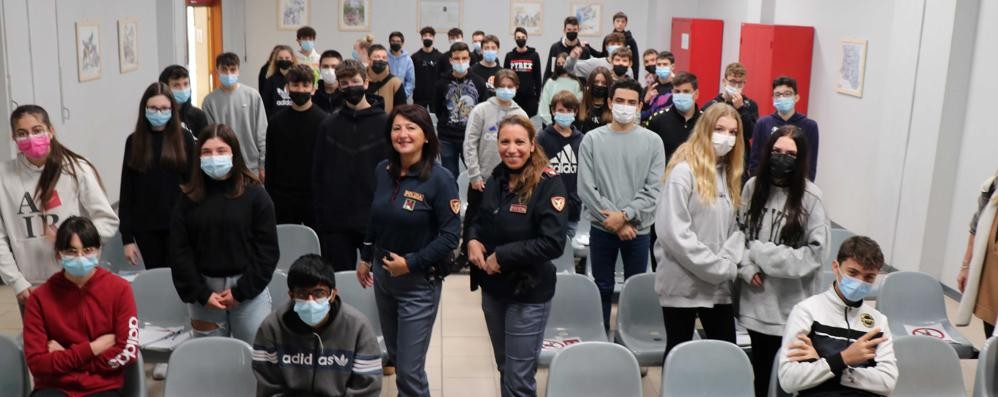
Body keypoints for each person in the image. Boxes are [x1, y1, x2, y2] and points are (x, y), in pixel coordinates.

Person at [358, 105, 460, 396]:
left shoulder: (440, 179)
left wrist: (411, 263)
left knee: (410, 373)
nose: (403, 134)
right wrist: (366, 257)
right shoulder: (383, 170)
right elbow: (375, 217)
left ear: (426, 135)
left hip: (418, 283)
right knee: (398, 359)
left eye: (411, 128)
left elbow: (450, 237)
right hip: (384, 277)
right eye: (396, 128)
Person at [467, 115, 568, 397]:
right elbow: (478, 218)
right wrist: (472, 240)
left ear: (533, 144)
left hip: (529, 291)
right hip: (494, 288)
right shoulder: (497, 176)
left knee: (519, 377)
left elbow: (553, 243)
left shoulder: (549, 183)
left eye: (520, 142)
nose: (512, 149)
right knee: (504, 367)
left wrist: (502, 255)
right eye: (505, 142)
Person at [738, 125, 830, 396]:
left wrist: (760, 253)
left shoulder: (812, 197)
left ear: (800, 158)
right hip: (756, 302)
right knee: (761, 373)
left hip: (791, 309)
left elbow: (814, 255)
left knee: (787, 380)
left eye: (790, 154)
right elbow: (738, 236)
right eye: (777, 151)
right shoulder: (752, 187)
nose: (781, 157)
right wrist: (746, 266)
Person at [0, 105, 118, 308]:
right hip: (31, 286)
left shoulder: (77, 168)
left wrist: (76, 244)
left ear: (50, 131)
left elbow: (107, 220)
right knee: (39, 340)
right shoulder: (3, 176)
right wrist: (16, 281)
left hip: (76, 279)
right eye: (22, 133)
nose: (30, 137)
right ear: (14, 138)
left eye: (37, 130)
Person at [172, 124, 278, 346]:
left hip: (249, 293)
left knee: (255, 359)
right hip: (204, 293)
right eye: (206, 152)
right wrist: (202, 294)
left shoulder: (256, 196)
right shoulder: (187, 200)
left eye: (221, 151)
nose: (214, 157)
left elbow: (267, 251)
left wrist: (241, 292)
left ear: (234, 154)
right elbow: (179, 252)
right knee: (209, 362)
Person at [655, 103, 746, 357]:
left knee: (725, 352)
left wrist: (726, 262)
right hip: (683, 283)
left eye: (732, 132)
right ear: (705, 129)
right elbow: (674, 234)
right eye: (719, 129)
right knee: (679, 353)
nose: (726, 137)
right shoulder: (683, 172)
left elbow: (738, 228)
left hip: (718, 285)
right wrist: (717, 268)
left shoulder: (730, 175)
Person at [579, 79, 665, 330]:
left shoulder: (653, 141)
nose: (625, 107)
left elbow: (654, 189)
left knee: (634, 288)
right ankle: (601, 337)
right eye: (619, 101)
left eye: (631, 102)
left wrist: (626, 216)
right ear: (609, 103)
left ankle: (631, 341)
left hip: (638, 230)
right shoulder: (592, 139)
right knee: (602, 286)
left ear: (640, 105)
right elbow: (586, 188)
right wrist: (617, 223)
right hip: (602, 227)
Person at [22, 216, 138, 397]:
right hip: (54, 386)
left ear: (98, 251)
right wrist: (92, 348)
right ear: (58, 254)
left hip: (103, 386)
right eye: (71, 251)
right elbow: (37, 364)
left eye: (88, 250)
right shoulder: (39, 299)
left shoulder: (120, 290)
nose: (80, 257)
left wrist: (68, 356)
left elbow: (128, 352)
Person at [778, 236, 898, 397]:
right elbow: (789, 380)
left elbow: (887, 383)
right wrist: (844, 358)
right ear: (836, 267)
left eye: (869, 277)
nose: (860, 281)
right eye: (853, 273)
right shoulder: (806, 311)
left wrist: (833, 367)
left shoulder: (878, 321)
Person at [253, 254, 382, 396]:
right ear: (291, 295)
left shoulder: (358, 328)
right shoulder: (271, 328)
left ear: (332, 294)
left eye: (319, 293)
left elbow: (366, 389)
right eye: (302, 293)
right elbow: (269, 388)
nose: (310, 300)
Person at [313, 60, 390, 272]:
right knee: (339, 281)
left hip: (374, 218)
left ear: (366, 83)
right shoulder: (328, 124)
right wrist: (321, 217)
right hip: (336, 220)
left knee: (376, 283)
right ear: (338, 86)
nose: (350, 87)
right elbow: (318, 173)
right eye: (344, 83)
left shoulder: (385, 122)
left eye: (355, 81)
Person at [119, 82, 196, 270]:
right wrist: (127, 239)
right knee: (156, 275)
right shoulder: (134, 141)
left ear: (172, 110)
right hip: (146, 227)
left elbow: (194, 184)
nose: (159, 112)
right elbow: (127, 191)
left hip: (179, 224)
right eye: (153, 108)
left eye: (164, 108)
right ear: (144, 109)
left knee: (180, 276)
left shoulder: (184, 138)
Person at [463, 69, 529, 255]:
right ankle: (467, 253)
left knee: (502, 222)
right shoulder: (481, 110)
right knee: (474, 221)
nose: (506, 90)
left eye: (510, 87)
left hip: (509, 182)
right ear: (495, 87)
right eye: (502, 86)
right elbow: (470, 143)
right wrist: (475, 175)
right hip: (482, 180)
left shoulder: (521, 114)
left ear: (516, 88)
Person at [265, 64, 326, 228]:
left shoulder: (324, 122)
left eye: (305, 85)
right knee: (286, 245)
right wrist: (271, 196)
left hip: (315, 197)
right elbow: (271, 163)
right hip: (284, 198)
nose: (300, 90)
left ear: (313, 89)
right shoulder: (276, 122)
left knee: (318, 247)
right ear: (287, 88)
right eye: (295, 85)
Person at [202, 52, 268, 180]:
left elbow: (262, 133)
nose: (228, 74)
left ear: (238, 70)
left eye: (232, 70)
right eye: (224, 70)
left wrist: (262, 165)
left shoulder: (252, 96)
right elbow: (210, 137)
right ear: (217, 70)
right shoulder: (210, 101)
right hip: (223, 165)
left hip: (251, 166)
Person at [433, 42, 489, 179]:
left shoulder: (479, 82)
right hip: (447, 138)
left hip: (471, 137)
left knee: (475, 175)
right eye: (457, 59)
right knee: (449, 176)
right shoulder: (441, 83)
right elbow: (437, 109)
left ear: (469, 59)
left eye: (464, 58)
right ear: (451, 60)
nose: (461, 62)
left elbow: (483, 108)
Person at [749, 76, 819, 180]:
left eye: (787, 94)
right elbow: (755, 160)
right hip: (766, 182)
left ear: (796, 97)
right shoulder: (762, 123)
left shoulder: (810, 126)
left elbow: (810, 163)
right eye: (778, 95)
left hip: (796, 183)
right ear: (773, 99)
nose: (782, 98)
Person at [956, 170, 998, 337]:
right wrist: (965, 267)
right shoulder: (991, 187)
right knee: (991, 336)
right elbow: (976, 228)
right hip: (991, 276)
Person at [538, 91, 584, 236]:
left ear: (575, 112)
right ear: (553, 111)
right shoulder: (542, 138)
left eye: (569, 110)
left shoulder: (582, 140)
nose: (565, 114)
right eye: (561, 110)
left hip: (573, 208)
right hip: (547, 207)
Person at [703, 62, 759, 166]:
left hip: (740, 158)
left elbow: (750, 133)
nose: (736, 86)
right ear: (724, 82)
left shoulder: (750, 105)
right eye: (732, 82)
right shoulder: (711, 105)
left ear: (744, 83)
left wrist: (741, 108)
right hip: (714, 157)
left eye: (740, 83)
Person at [646, 72, 701, 160]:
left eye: (686, 92)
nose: (681, 95)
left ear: (696, 94)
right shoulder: (657, 120)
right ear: (672, 93)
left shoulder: (705, 121)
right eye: (677, 92)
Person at [159, 65, 208, 137]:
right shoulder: (158, 114)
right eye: (176, 85)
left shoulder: (198, 115)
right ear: (165, 87)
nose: (182, 89)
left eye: (185, 84)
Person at [503, 27, 542, 117]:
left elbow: (538, 77)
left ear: (527, 37)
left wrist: (538, 97)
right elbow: (505, 76)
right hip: (514, 96)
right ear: (514, 38)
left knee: (528, 122)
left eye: (523, 37)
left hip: (530, 97)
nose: (521, 39)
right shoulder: (509, 56)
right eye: (518, 37)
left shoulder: (534, 55)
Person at [537, 53, 583, 126]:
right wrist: (549, 123)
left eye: (563, 63)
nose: (561, 65)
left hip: (571, 122)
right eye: (558, 63)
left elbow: (579, 104)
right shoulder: (550, 82)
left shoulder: (576, 83)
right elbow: (544, 105)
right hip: (552, 121)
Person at [565, 33, 634, 81]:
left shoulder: (628, 69)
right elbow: (569, 69)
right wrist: (572, 59)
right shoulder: (595, 63)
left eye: (619, 44)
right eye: (612, 44)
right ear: (606, 47)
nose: (616, 47)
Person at [544, 16, 595, 82]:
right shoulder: (555, 48)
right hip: (559, 88)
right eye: (569, 30)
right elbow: (549, 71)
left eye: (574, 30)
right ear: (564, 30)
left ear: (578, 30)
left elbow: (588, 73)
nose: (572, 32)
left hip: (579, 88)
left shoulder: (585, 50)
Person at [366, 44, 408, 114]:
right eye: (377, 57)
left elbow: (402, 110)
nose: (381, 60)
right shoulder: (360, 80)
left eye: (384, 57)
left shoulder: (395, 82)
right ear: (368, 59)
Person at [260, 45, 298, 120]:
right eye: (280, 58)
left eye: (287, 58)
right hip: (276, 123)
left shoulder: (298, 79)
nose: (284, 60)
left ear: (292, 59)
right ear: (276, 60)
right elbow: (265, 105)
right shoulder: (270, 80)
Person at [600, 11, 640, 78]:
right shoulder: (608, 38)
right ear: (613, 23)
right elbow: (603, 55)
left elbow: (635, 62)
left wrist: (635, 80)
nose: (620, 24)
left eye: (622, 21)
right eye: (617, 21)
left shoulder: (631, 40)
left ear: (626, 24)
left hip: (624, 72)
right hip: (608, 72)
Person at [412, 26, 443, 111]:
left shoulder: (440, 57)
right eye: (425, 35)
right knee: (418, 120)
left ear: (433, 38)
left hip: (436, 95)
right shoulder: (415, 57)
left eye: (430, 35)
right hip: (419, 96)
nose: (427, 37)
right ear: (421, 38)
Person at [639, 51, 675, 122]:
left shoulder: (677, 87)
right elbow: (640, 113)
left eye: (665, 64)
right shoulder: (650, 88)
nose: (661, 67)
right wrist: (646, 101)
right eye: (659, 64)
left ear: (672, 66)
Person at [576, 67, 613, 133]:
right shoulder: (579, 105)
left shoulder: (612, 108)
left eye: (604, 83)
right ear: (590, 83)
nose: (599, 85)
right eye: (596, 82)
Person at [388, 31, 416, 100]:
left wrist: (403, 95)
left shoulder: (408, 60)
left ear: (402, 43)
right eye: (393, 41)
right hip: (386, 95)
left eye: (398, 41)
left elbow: (411, 81)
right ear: (389, 42)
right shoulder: (384, 57)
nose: (395, 43)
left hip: (401, 96)